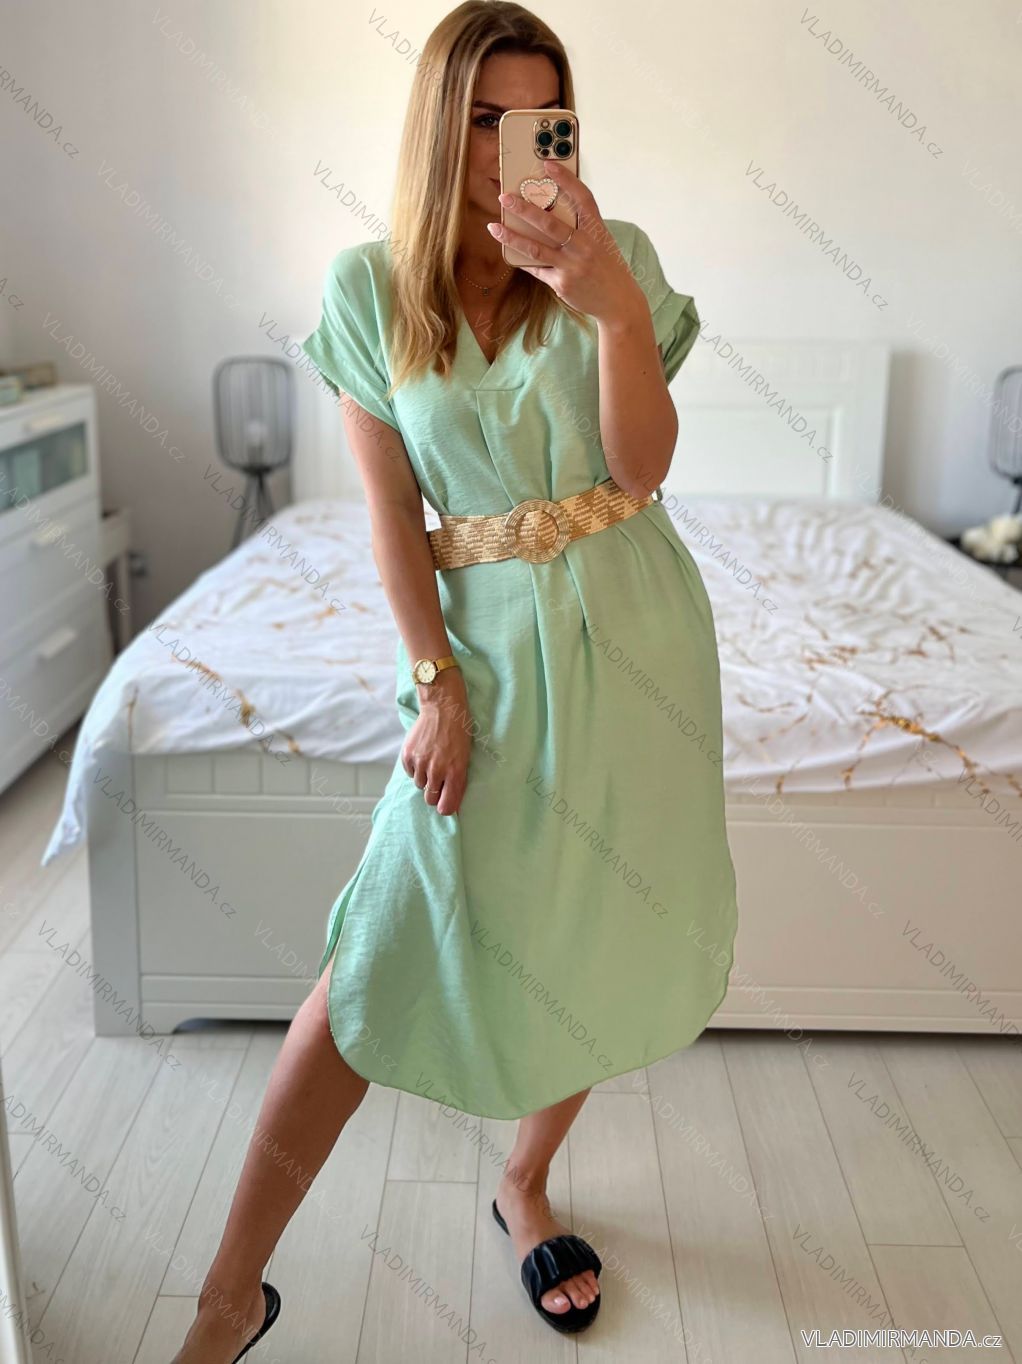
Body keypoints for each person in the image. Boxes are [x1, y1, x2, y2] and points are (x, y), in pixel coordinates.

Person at [171, 2, 737, 1357]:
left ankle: (525, 1181)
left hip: (635, 633)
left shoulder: (618, 257)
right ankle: (227, 1293)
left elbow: (643, 469)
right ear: (438, 125)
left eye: (538, 119)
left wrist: (608, 305)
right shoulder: (367, 287)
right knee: (367, 958)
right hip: (476, 645)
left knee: (596, 926)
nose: (509, 147)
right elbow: (389, 514)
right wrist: (436, 683)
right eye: (483, 118)